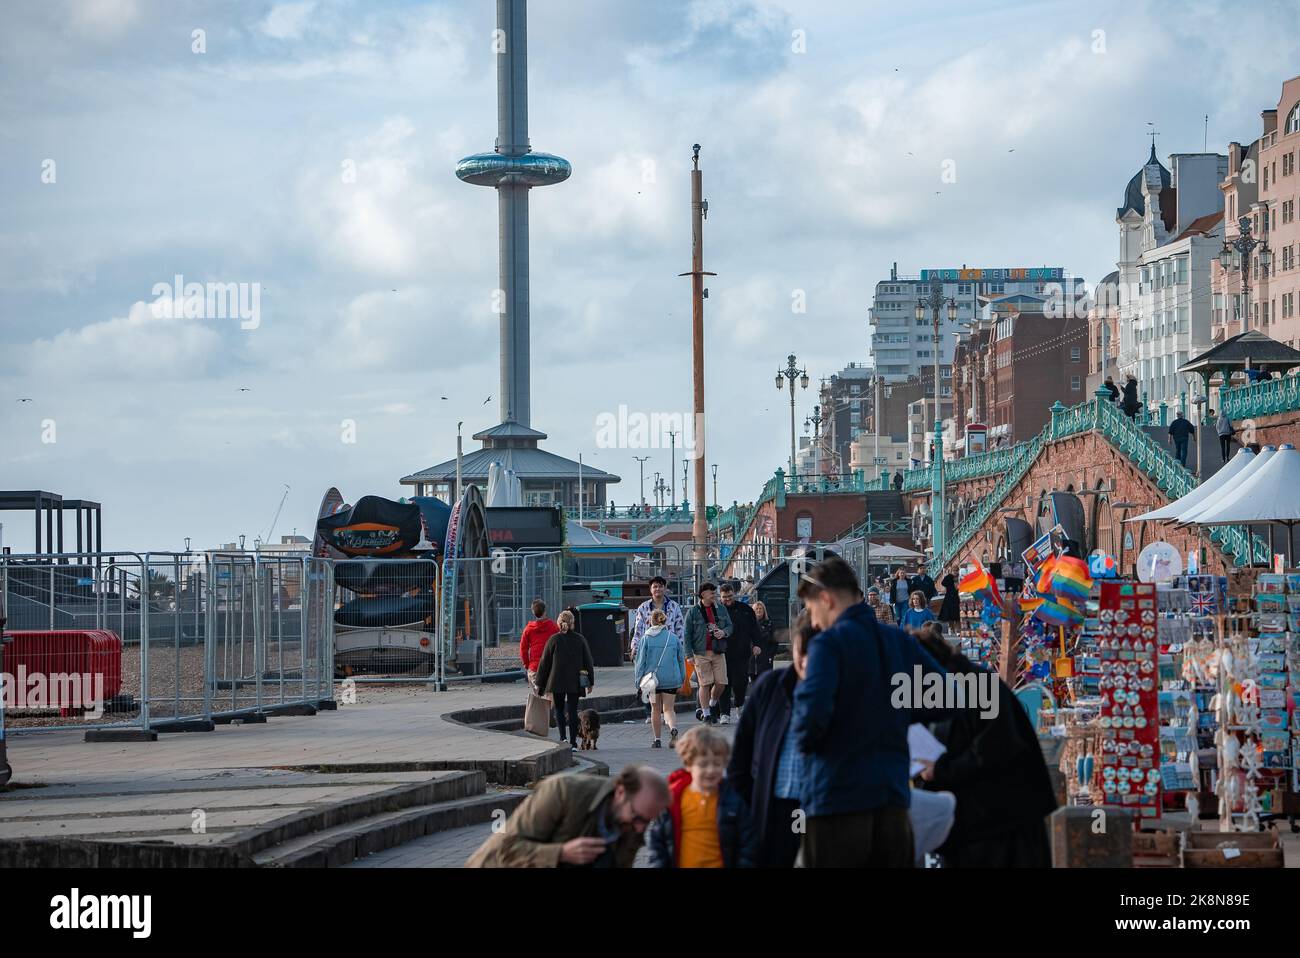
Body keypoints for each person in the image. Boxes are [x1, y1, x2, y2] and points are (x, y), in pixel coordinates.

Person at [790, 556, 947, 867]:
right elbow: (945, 697)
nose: (815, 621)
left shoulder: (828, 644)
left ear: (826, 599)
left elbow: (810, 720)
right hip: (892, 795)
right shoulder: (898, 641)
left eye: (812, 610)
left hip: (836, 795)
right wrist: (894, 715)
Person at [913, 625, 1057, 867]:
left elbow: (995, 749)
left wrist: (940, 769)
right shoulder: (956, 686)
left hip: (1003, 826)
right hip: (985, 825)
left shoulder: (976, 686)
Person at [728, 610, 816, 867]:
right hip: (773, 809)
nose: (808, 660)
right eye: (803, 649)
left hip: (823, 813)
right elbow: (740, 759)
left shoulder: (849, 691)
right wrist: (749, 805)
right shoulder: (770, 687)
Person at [466, 765, 670, 867]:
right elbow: (506, 849)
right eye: (637, 817)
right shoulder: (563, 792)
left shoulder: (631, 825)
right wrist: (561, 853)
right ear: (620, 792)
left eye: (648, 822)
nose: (641, 828)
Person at [644, 726, 758, 868]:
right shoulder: (673, 800)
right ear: (688, 764)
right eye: (703, 765)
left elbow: (748, 842)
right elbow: (657, 842)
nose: (710, 770)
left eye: (717, 764)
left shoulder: (733, 799)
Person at [535, 610, 595, 750]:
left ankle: (563, 738)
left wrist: (540, 683)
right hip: (575, 681)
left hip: (557, 681)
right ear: (572, 623)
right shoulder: (580, 639)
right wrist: (590, 681)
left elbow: (545, 663)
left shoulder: (553, 640)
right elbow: (588, 661)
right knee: (573, 711)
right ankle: (573, 742)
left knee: (559, 709)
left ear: (558, 623)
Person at [631, 575, 686, 723]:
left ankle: (664, 711)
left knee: (664, 679)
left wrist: (680, 648)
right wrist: (635, 647)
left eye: (660, 586)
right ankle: (651, 711)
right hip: (649, 649)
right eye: (655, 586)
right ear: (650, 589)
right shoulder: (643, 608)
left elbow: (680, 629)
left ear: (665, 588)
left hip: (669, 648)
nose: (658, 589)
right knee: (648, 679)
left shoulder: (674, 606)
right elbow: (638, 629)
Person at [632, 609, 685, 750]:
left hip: (652, 682)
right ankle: (673, 727)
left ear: (651, 621)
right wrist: (682, 678)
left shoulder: (645, 639)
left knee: (655, 710)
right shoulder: (673, 638)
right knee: (668, 709)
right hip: (671, 679)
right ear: (664, 621)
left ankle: (657, 740)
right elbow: (681, 660)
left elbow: (640, 662)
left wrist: (638, 682)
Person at [684, 582, 733, 725]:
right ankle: (706, 714)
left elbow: (730, 626)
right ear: (703, 593)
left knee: (721, 683)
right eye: (712, 592)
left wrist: (723, 632)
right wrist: (688, 655)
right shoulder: (693, 611)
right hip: (700, 652)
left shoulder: (721, 609)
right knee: (704, 684)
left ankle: (711, 704)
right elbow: (687, 634)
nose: (714, 595)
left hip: (718, 651)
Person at [717, 582, 758, 724]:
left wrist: (756, 644)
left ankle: (740, 705)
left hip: (742, 652)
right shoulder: (717, 610)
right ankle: (724, 713)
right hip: (722, 653)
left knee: (740, 682)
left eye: (729, 596)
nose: (727, 599)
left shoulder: (746, 610)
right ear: (720, 597)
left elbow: (755, 630)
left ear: (734, 594)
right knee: (724, 683)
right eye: (724, 597)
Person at [518, 599, 558, 692]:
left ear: (533, 612)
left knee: (538, 697)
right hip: (550, 667)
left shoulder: (528, 629)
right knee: (550, 696)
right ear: (545, 611)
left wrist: (527, 665)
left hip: (534, 667)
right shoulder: (553, 627)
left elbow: (523, 649)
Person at [749, 600, 778, 676]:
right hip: (752, 659)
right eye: (756, 608)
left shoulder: (770, 624)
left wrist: (770, 655)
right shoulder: (749, 624)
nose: (758, 610)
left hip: (765, 658)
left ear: (764, 610)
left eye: (760, 608)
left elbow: (775, 641)